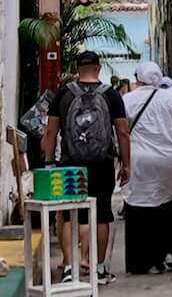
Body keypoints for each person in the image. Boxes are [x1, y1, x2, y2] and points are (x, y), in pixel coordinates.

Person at [42, 50, 128, 284]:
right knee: (102, 214)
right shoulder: (110, 95)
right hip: (102, 163)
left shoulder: (63, 94)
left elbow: (51, 131)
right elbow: (122, 131)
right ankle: (99, 269)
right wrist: (126, 164)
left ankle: (70, 267)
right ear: (99, 69)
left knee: (70, 213)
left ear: (78, 69)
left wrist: (49, 162)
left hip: (70, 164)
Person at [120, 61, 172, 276]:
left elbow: (120, 131)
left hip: (139, 159)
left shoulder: (127, 99)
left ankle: (145, 261)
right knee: (169, 204)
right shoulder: (171, 97)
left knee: (140, 209)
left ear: (139, 77)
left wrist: (120, 160)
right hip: (170, 160)